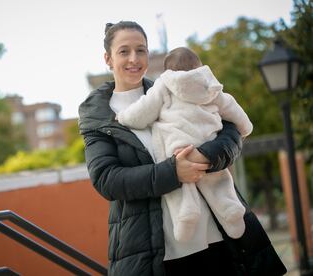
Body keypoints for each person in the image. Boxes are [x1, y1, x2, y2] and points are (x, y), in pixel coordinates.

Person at [78, 21, 286, 275]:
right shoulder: (98, 116)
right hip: (161, 253)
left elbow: (231, 131)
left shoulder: (178, 86)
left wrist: (206, 156)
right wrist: (174, 173)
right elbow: (107, 179)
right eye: (124, 51)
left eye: (141, 50)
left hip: (220, 237)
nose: (134, 58)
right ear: (108, 59)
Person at [116, 47, 253, 243]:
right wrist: (246, 128)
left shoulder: (164, 84)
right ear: (199, 66)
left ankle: (186, 214)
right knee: (218, 180)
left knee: (180, 184)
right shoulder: (211, 84)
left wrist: (122, 117)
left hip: (178, 146)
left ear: (168, 71)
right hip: (208, 143)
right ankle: (231, 211)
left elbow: (143, 112)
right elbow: (232, 108)